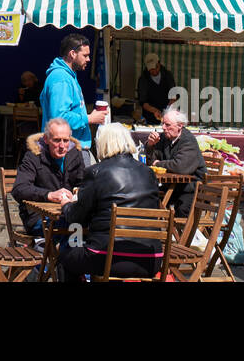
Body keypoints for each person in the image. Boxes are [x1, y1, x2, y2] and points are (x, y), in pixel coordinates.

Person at [58, 123, 162, 281]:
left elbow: (76, 218)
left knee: (66, 254)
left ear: (102, 143)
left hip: (108, 256)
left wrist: (66, 204)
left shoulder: (96, 172)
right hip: (150, 258)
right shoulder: (148, 173)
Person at [10, 118, 85, 236]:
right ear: (46, 139)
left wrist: (77, 194)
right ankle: (59, 250)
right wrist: (49, 195)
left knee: (94, 224)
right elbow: (19, 189)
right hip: (39, 216)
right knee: (73, 228)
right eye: (56, 140)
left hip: (67, 212)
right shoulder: (33, 156)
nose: (62, 146)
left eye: (66, 141)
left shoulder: (75, 154)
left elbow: (82, 184)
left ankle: (66, 251)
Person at [40, 33, 107, 153]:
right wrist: (89, 118)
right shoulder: (61, 79)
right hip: (67, 151)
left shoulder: (68, 76)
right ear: (72, 54)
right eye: (85, 55)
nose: (88, 59)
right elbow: (58, 118)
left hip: (72, 148)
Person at [144, 107, 206, 217]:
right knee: (149, 198)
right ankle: (155, 231)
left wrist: (158, 164)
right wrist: (150, 145)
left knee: (181, 211)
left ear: (180, 126)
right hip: (173, 185)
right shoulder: (164, 138)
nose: (163, 128)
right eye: (163, 124)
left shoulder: (188, 141)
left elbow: (181, 167)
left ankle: (180, 233)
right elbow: (151, 162)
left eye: (167, 125)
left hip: (191, 188)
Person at [135, 52, 178, 124]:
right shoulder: (143, 79)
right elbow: (143, 102)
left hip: (167, 114)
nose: (154, 71)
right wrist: (154, 111)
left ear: (159, 64)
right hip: (150, 117)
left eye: (156, 67)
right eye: (151, 69)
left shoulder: (167, 75)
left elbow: (173, 94)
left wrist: (169, 108)